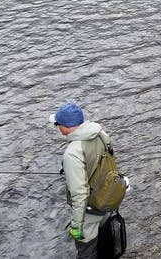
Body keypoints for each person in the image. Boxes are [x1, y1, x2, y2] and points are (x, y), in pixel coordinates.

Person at [50, 103, 113, 258]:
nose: (57, 128)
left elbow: (80, 194)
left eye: (57, 124)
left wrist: (77, 225)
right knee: (104, 244)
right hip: (107, 200)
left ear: (66, 126)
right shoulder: (100, 134)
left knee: (87, 251)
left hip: (90, 211)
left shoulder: (72, 153)